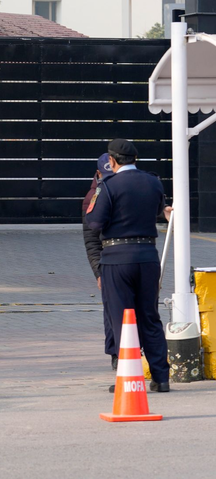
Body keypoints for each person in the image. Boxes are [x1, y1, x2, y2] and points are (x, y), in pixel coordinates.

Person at [86, 138, 173, 393]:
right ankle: (161, 378)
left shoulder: (108, 185)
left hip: (116, 258)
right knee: (149, 316)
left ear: (111, 161)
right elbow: (159, 210)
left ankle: (128, 377)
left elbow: (94, 222)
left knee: (122, 319)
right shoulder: (153, 181)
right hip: (148, 256)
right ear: (135, 159)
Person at [82, 153, 117, 370]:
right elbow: (91, 241)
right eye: (106, 176)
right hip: (108, 260)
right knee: (112, 310)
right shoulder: (91, 199)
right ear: (98, 174)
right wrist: (98, 272)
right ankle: (115, 353)